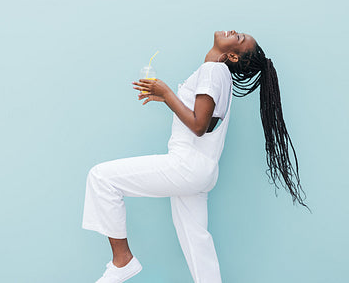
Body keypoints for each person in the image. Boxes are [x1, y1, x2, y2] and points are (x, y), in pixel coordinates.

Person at [82, 30, 309, 283]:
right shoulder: (218, 74)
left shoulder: (213, 71)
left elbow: (199, 126)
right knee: (198, 245)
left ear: (232, 55)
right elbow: (205, 122)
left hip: (186, 166)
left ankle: (122, 261)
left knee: (101, 178)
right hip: (201, 171)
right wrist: (168, 99)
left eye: (240, 39)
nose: (235, 32)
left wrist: (167, 93)